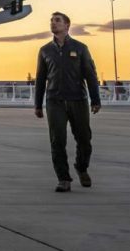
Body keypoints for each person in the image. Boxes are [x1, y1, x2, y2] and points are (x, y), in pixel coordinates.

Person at [34, 11, 101, 192]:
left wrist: (95, 99)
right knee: (57, 141)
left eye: (57, 21)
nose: (53, 24)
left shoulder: (80, 48)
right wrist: (38, 105)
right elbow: (40, 79)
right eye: (52, 21)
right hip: (54, 101)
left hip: (77, 99)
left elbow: (90, 75)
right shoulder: (45, 50)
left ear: (67, 25)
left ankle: (81, 167)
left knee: (84, 139)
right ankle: (63, 178)